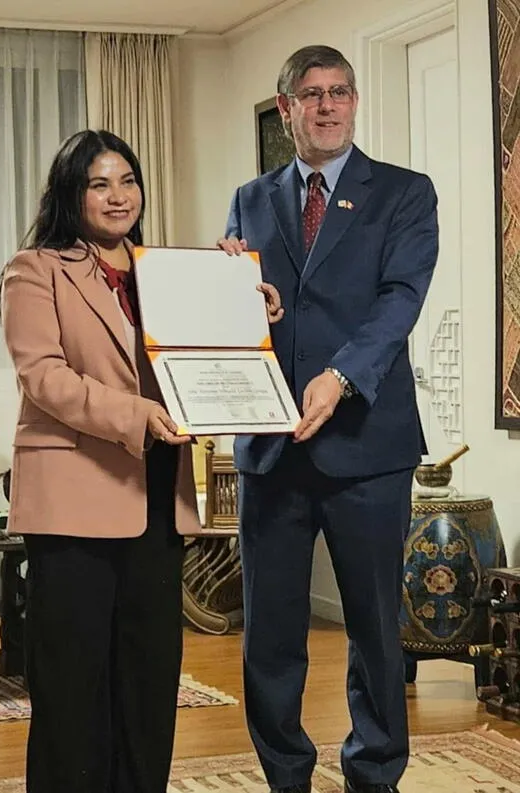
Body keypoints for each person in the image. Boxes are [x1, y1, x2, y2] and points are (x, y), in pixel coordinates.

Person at [0, 128, 283, 793]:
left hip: (158, 497)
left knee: (149, 678)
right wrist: (135, 416)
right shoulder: (35, 269)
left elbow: (210, 351)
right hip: (74, 499)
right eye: (99, 183)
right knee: (73, 683)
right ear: (72, 193)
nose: (117, 195)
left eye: (127, 180)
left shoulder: (169, 268)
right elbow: (43, 376)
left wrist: (246, 299)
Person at [218, 46, 439, 793]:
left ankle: (373, 774)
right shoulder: (250, 198)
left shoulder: (406, 194)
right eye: (311, 94)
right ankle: (286, 776)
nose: (328, 105)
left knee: (375, 628)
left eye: (340, 91)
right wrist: (232, 290)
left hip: (367, 446)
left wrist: (341, 376)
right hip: (271, 448)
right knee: (270, 636)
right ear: (286, 110)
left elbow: (400, 301)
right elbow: (235, 312)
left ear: (354, 101)